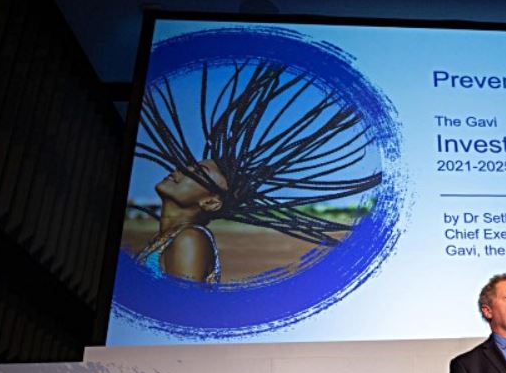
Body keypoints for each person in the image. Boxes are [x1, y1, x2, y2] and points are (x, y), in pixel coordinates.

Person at [133, 61, 382, 282]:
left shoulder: (189, 240)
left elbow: (181, 314)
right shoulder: (170, 239)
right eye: (189, 166)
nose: (181, 170)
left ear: (210, 201)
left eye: (198, 171)